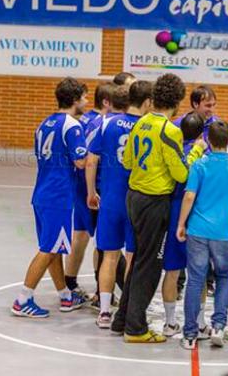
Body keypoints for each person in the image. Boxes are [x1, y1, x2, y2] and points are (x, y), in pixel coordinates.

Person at [115, 73, 206, 343]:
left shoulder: (141, 122)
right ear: (178, 101)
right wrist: (196, 151)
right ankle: (136, 328)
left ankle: (122, 319)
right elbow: (181, 174)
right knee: (150, 265)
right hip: (154, 202)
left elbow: (128, 162)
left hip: (133, 196)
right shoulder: (170, 130)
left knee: (140, 259)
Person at [11, 77, 89, 318]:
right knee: (48, 249)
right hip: (58, 195)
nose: (86, 101)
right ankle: (23, 299)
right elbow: (80, 161)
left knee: (54, 247)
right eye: (84, 97)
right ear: (75, 99)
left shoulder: (44, 123)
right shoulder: (73, 126)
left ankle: (65, 296)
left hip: (42, 192)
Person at [85, 81, 153, 328]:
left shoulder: (108, 123)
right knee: (133, 257)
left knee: (109, 257)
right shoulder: (148, 127)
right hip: (137, 201)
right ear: (146, 102)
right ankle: (126, 310)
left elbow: (91, 161)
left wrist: (92, 192)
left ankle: (104, 312)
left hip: (111, 199)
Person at [178, 121, 228, 350]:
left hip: (198, 230)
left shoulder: (199, 165)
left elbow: (189, 196)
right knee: (224, 277)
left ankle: (189, 334)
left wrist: (181, 223)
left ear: (208, 141)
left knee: (195, 280)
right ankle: (218, 326)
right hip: (224, 232)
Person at [66, 82, 114, 302]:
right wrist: (93, 189)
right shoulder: (102, 122)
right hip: (94, 186)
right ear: (106, 101)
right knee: (101, 241)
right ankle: (100, 291)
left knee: (81, 234)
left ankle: (71, 283)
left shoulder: (82, 120)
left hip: (80, 186)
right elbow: (90, 159)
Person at [161, 112, 206, 338]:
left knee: (171, 272)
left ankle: (170, 323)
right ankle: (200, 322)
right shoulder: (203, 158)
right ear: (201, 134)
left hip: (172, 215)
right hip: (196, 217)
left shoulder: (174, 152)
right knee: (198, 273)